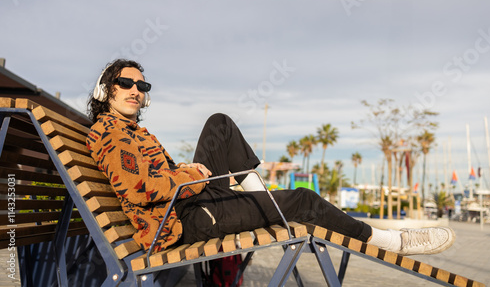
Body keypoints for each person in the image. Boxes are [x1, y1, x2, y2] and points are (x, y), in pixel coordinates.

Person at [86, 59, 455, 256]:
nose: (135, 90)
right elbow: (137, 189)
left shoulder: (133, 131)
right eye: (126, 83)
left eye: (142, 86)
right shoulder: (109, 132)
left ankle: (255, 196)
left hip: (188, 201)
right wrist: (186, 177)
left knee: (220, 124)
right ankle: (389, 241)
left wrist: (182, 169)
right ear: (107, 90)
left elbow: (159, 174)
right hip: (180, 221)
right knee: (303, 201)